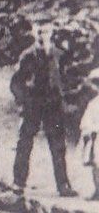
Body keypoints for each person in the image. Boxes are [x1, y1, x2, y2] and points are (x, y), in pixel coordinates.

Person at [12, 22, 76, 197]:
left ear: (52, 33)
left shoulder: (59, 55)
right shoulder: (27, 56)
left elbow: (67, 80)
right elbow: (16, 83)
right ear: (34, 32)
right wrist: (24, 101)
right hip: (33, 105)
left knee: (58, 145)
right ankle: (18, 183)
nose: (42, 35)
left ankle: (63, 185)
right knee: (25, 141)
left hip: (53, 106)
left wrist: (65, 100)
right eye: (39, 31)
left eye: (46, 31)